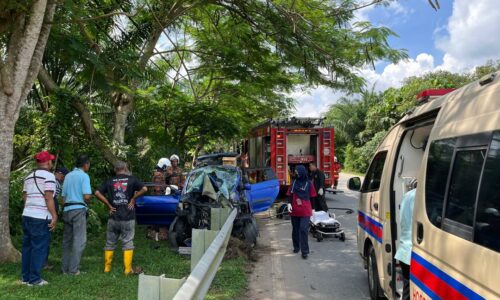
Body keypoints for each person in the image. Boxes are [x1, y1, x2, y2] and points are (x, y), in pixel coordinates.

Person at [95, 161, 147, 275]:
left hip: (113, 218)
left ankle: (107, 269)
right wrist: (133, 198)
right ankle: (127, 270)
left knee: (110, 242)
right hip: (128, 217)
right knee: (128, 242)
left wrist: (109, 205)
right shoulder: (132, 179)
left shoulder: (109, 181)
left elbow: (97, 192)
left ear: (115, 170)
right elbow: (144, 189)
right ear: (125, 168)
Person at [21, 151, 58, 286]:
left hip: (27, 215)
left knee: (27, 247)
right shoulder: (49, 176)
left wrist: (29, 209)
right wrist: (54, 216)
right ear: (48, 162)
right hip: (40, 217)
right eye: (51, 161)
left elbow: (25, 197)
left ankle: (26, 278)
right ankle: (35, 279)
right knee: (39, 248)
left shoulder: (28, 177)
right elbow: (48, 197)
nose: (52, 163)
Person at [61, 155, 92, 275]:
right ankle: (74, 270)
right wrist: (87, 201)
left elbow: (63, 198)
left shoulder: (68, 175)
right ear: (85, 164)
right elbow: (87, 196)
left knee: (67, 241)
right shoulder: (84, 176)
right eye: (88, 164)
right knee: (79, 240)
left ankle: (65, 269)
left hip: (67, 209)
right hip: (78, 209)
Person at [287, 165, 317, 259]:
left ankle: (305, 251)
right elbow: (290, 195)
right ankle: (296, 246)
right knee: (295, 229)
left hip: (305, 210)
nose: (295, 174)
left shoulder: (309, 183)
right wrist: (289, 204)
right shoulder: (294, 183)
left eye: (297, 172)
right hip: (295, 210)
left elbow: (312, 197)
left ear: (302, 173)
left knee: (303, 229)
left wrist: (313, 209)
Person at [395, 180, 417, 300]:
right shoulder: (421, 198)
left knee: (407, 290)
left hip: (404, 250)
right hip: (412, 252)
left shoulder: (407, 195)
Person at [44, 167, 69, 270]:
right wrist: (54, 215)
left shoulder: (51, 180)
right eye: (64, 176)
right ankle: (43, 263)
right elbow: (51, 199)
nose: (64, 178)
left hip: (43, 213)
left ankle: (42, 262)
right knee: (45, 239)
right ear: (59, 173)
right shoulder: (56, 183)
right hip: (47, 214)